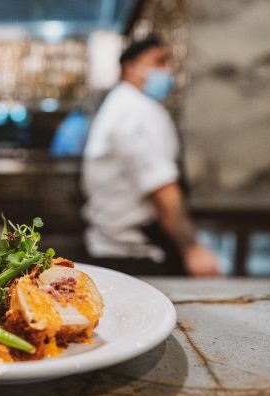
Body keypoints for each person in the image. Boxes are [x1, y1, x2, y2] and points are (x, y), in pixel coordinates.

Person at [81, 35, 221, 277]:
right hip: (131, 255)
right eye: (159, 62)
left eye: (168, 63)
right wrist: (192, 249)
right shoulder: (135, 111)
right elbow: (161, 188)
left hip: (118, 247)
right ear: (130, 68)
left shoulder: (124, 104)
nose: (166, 71)